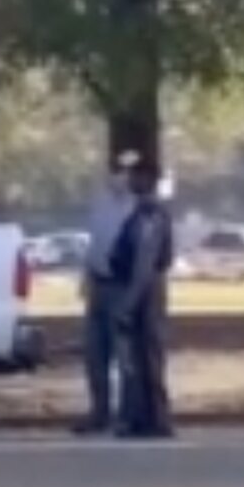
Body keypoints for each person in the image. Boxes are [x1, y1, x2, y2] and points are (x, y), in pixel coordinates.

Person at [109, 158, 174, 440]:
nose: (130, 180)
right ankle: (140, 417)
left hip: (146, 293)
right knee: (137, 358)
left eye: (136, 175)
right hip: (142, 290)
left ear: (148, 179)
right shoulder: (140, 212)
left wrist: (129, 304)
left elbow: (144, 263)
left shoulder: (150, 215)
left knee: (148, 357)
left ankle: (156, 419)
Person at [74, 153, 136, 436]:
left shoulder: (136, 207)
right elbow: (94, 241)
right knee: (94, 354)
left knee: (124, 355)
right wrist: (85, 278)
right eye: (115, 169)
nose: (118, 176)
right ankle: (99, 412)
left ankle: (126, 414)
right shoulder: (100, 202)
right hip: (98, 284)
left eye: (124, 171)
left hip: (122, 286)